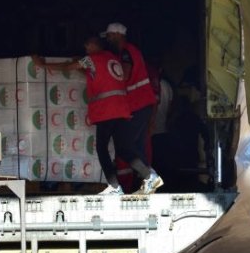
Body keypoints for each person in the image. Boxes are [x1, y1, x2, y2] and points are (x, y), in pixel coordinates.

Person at [33, 36, 161, 196]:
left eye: (88, 43)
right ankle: (150, 176)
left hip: (106, 110)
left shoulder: (92, 59)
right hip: (121, 110)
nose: (85, 46)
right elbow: (96, 74)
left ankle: (115, 187)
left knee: (102, 148)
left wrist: (42, 64)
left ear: (95, 45)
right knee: (122, 149)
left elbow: (68, 67)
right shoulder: (112, 59)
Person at [103, 23, 163, 192]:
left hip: (136, 105)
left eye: (108, 36)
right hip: (140, 105)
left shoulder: (125, 52)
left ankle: (150, 177)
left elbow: (125, 73)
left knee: (123, 147)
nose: (107, 40)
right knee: (135, 147)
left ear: (117, 35)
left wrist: (105, 78)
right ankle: (149, 179)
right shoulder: (130, 51)